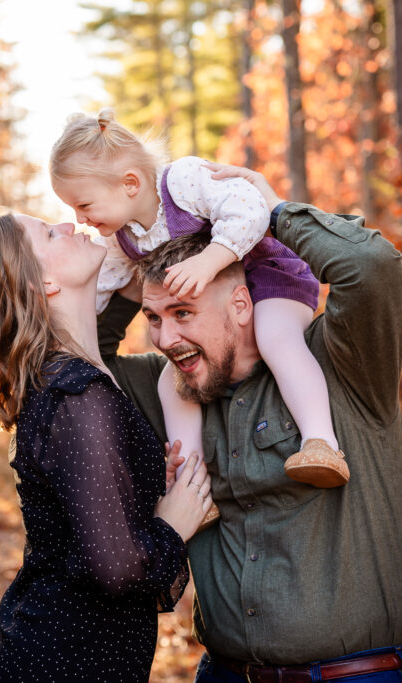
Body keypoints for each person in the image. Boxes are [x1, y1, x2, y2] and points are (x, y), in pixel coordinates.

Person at [96, 164, 402, 681]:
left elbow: (372, 265)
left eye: (184, 313)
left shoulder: (341, 363)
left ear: (242, 302)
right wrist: (131, 258)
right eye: (154, 319)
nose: (163, 338)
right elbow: (80, 362)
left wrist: (269, 214)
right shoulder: (176, 387)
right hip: (224, 674)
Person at [0, 207, 214, 683]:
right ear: (42, 285)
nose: (69, 224)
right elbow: (115, 569)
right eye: (50, 233)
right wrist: (172, 525)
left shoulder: (77, 378)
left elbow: (92, 529)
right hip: (61, 662)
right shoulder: (77, 392)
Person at [50, 110, 350, 509]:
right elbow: (100, 292)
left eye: (84, 204)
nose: (80, 219)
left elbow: (249, 208)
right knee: (171, 384)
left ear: (129, 183)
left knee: (276, 338)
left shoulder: (181, 182)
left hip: (271, 277)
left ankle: (320, 442)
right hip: (213, 315)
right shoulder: (120, 240)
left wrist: (210, 260)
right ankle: (192, 485)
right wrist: (59, 321)